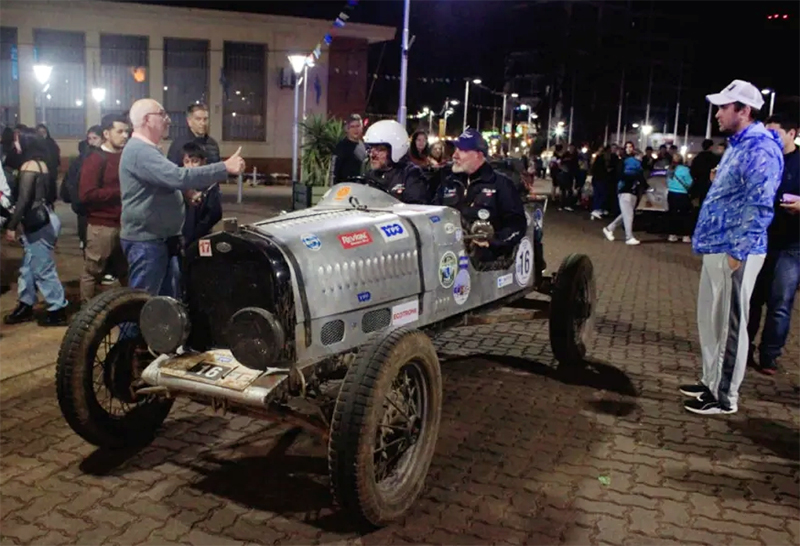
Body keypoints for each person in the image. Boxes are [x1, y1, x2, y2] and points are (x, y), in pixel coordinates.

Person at [681, 79, 784, 415]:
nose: (718, 114)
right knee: (710, 320)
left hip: (736, 249)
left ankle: (725, 396)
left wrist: (738, 251)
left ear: (744, 110)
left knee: (728, 324)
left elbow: (760, 205)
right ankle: (711, 381)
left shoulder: (759, 148)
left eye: (725, 107)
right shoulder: (739, 145)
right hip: (719, 244)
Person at [119, 98, 245, 299]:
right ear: (146, 120)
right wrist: (224, 167)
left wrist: (185, 193)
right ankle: (133, 332)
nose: (167, 120)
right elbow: (177, 176)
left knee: (164, 304)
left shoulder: (150, 149)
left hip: (161, 239)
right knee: (141, 306)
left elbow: (165, 181)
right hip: (148, 242)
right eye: (161, 115)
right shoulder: (140, 151)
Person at [748, 114, 800, 376]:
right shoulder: (762, 158)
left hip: (792, 243)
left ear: (792, 133)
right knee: (751, 299)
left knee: (780, 301)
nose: (769, 139)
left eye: (775, 133)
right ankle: (743, 351)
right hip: (759, 238)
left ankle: (769, 356)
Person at [2, 127, 69, 326]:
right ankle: (25, 304)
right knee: (28, 267)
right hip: (46, 217)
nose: (15, 144)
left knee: (43, 269)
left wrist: (12, 226)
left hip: (38, 223)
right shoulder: (42, 164)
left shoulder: (29, 166)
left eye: (17, 140)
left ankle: (58, 308)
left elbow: (23, 200)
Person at [433, 129, 526, 262]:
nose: (455, 155)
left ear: (479, 155)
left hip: (483, 263)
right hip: (446, 257)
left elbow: (517, 225)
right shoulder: (449, 182)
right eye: (456, 150)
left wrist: (492, 242)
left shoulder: (501, 184)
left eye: (463, 150)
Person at [78, 114, 130, 304]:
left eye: (127, 131)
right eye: (120, 131)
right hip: (102, 226)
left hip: (125, 224)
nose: (125, 135)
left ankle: (129, 310)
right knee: (93, 271)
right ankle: (86, 316)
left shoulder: (126, 156)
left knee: (126, 271)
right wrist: (120, 192)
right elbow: (86, 194)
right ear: (107, 133)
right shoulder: (95, 159)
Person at [362, 120, 428, 204]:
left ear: (395, 149)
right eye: (371, 149)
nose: (372, 155)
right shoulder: (370, 175)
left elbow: (414, 209)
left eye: (379, 150)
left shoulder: (411, 174)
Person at [181, 141, 223, 248]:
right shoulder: (181, 185)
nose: (190, 166)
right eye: (187, 162)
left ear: (203, 162)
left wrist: (196, 234)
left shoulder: (210, 185)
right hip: (181, 237)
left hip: (202, 237)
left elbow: (215, 213)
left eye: (195, 161)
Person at [602, 141, 645, 246]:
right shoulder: (622, 161)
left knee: (626, 213)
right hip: (625, 189)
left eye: (631, 147)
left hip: (632, 189)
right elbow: (620, 175)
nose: (629, 149)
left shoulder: (633, 162)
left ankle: (609, 228)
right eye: (627, 147)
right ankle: (629, 236)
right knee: (628, 214)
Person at [665, 153, 694, 243]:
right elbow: (689, 182)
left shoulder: (670, 169)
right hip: (682, 194)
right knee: (685, 215)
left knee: (672, 214)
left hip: (671, 193)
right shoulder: (685, 169)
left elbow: (667, 181)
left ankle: (672, 234)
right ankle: (685, 235)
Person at [332, 114, 366, 183]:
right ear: (347, 129)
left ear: (362, 127)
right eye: (352, 127)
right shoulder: (341, 147)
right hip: (344, 189)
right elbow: (333, 172)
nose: (355, 129)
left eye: (358, 126)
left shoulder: (363, 146)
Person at [689, 139, 720, 206]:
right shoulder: (715, 158)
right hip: (709, 184)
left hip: (698, 184)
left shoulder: (697, 158)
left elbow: (692, 171)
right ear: (711, 147)